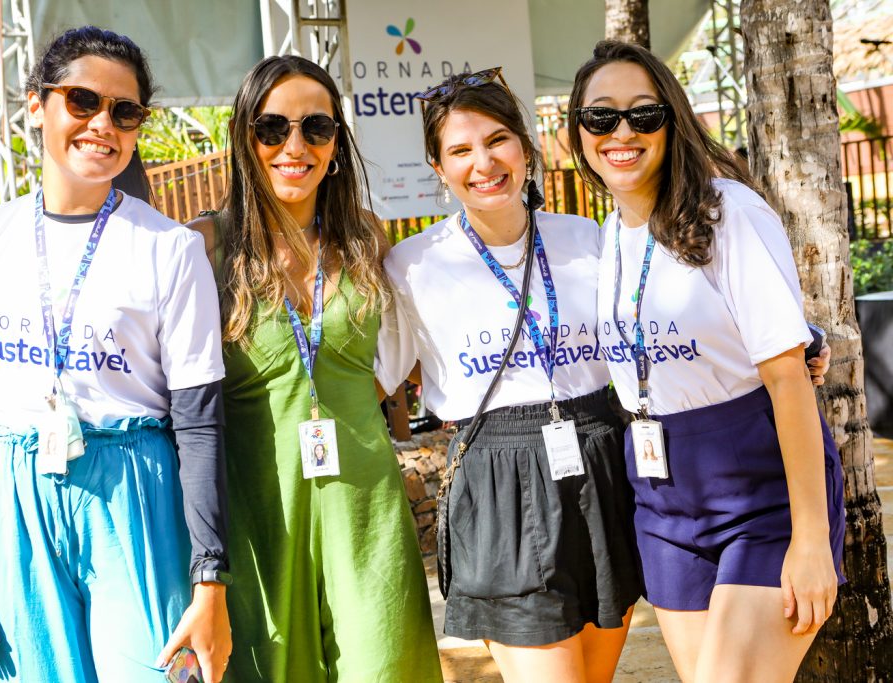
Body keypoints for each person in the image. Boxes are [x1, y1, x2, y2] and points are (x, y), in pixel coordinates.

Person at [0, 26, 231, 682]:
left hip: (131, 490)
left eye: (125, 111)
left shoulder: (171, 249)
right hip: (3, 490)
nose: (102, 125)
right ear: (37, 105)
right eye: (82, 100)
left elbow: (200, 423)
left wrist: (209, 582)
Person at [567, 40, 845, 682]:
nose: (622, 132)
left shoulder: (729, 213)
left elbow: (786, 380)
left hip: (758, 492)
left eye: (643, 113)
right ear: (577, 132)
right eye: (600, 117)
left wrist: (809, 540)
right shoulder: (609, 234)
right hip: (662, 502)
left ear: (674, 119)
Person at [376, 67, 642, 683]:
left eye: (497, 140)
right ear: (438, 169)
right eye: (460, 150)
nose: (483, 162)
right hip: (499, 483)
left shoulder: (589, 240)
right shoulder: (412, 265)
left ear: (525, 147)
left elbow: (660, 325)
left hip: (601, 463)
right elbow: (371, 373)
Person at [187, 55, 442, 682]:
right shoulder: (204, 248)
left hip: (365, 503)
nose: (293, 146)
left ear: (336, 142)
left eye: (316, 128)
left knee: (382, 664)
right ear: (246, 138)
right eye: (273, 129)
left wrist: (354, 400)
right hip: (258, 510)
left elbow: (396, 354)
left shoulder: (366, 240)